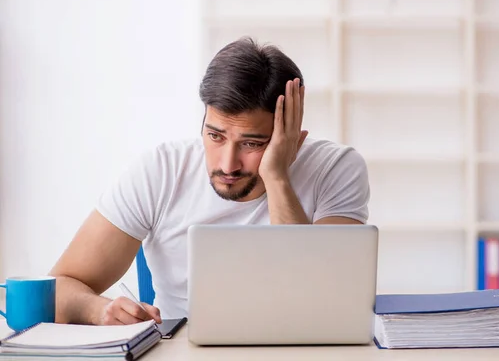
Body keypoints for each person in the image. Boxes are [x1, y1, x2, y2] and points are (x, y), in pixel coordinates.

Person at [49, 37, 370, 325]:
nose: (227, 164)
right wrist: (99, 311)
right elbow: (59, 288)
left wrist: (276, 176)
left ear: (288, 137)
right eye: (215, 136)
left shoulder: (336, 169)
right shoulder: (161, 171)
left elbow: (327, 301)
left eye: (252, 143)